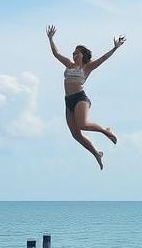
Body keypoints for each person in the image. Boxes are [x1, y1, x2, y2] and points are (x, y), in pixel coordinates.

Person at [46, 24, 125, 170]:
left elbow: (103, 58)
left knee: (83, 124)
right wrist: (51, 39)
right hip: (68, 101)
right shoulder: (69, 65)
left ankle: (105, 130)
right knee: (75, 134)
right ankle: (97, 153)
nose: (74, 55)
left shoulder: (87, 67)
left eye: (77, 53)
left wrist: (115, 48)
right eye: (73, 53)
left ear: (83, 55)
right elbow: (56, 54)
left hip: (80, 99)